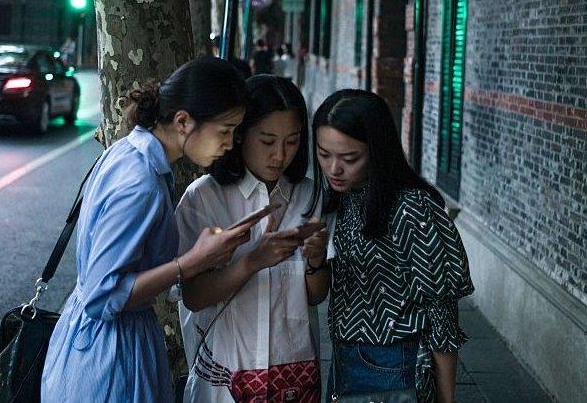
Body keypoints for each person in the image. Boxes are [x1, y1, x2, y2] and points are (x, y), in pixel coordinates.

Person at [41, 56, 256, 402]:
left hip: (96, 341)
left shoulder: (130, 153)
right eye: (225, 130)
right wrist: (193, 262)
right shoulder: (140, 182)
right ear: (183, 121)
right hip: (111, 356)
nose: (230, 144)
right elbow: (103, 295)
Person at [306, 89, 474, 402]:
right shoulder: (341, 198)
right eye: (324, 154)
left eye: (349, 158)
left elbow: (441, 310)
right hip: (344, 358)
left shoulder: (413, 207)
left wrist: (447, 398)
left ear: (377, 151)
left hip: (392, 360)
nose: (334, 169)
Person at [176, 75, 328, 402]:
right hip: (225, 373)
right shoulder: (205, 199)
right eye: (268, 141)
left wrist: (316, 261)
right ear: (241, 134)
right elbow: (193, 296)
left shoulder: (309, 196)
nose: (280, 155)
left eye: (293, 141)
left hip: (294, 373)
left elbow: (315, 296)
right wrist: (251, 262)